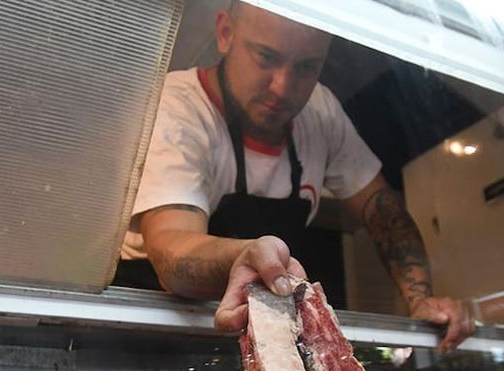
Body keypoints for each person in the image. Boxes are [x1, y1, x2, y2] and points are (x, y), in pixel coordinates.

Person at [116, 1, 475, 351]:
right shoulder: (180, 105)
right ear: (225, 33)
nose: (283, 88)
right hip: (152, 322)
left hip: (256, 330)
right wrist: (244, 256)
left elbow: (382, 209)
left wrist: (421, 299)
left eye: (306, 67)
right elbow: (172, 252)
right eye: (266, 57)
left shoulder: (321, 111)